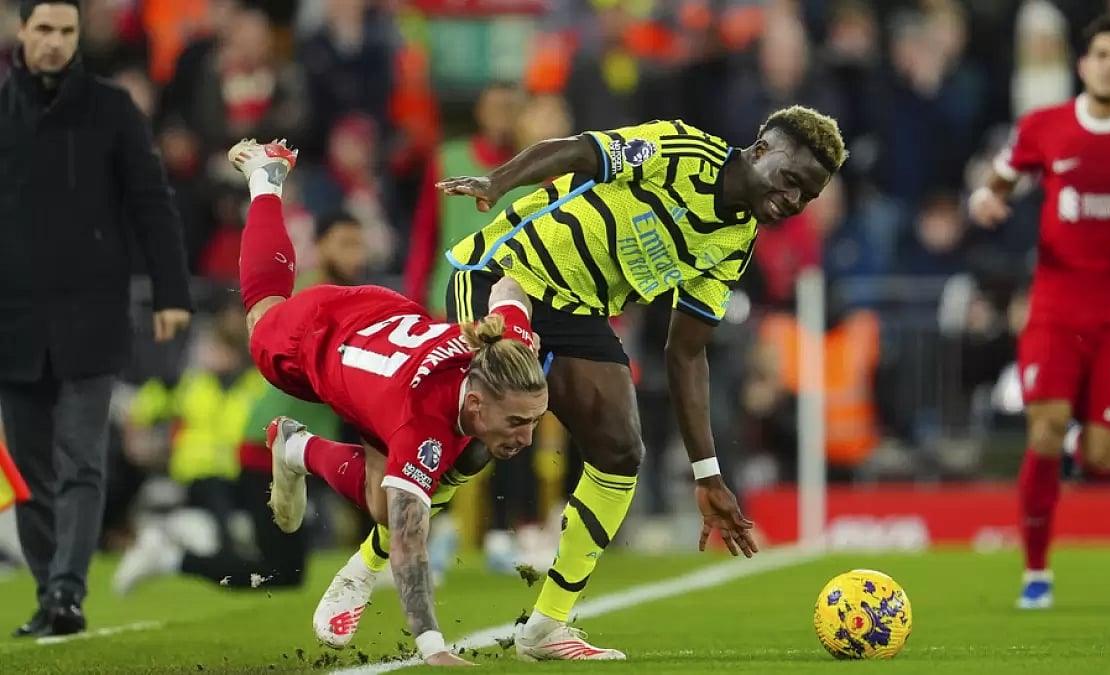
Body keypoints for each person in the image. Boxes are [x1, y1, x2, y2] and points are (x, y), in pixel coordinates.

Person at [316, 104, 847, 659]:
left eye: (806, 196)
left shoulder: (735, 241)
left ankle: (546, 626)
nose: (793, 200)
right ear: (761, 150)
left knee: (621, 450)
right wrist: (499, 181)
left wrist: (707, 475)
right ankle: (365, 567)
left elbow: (686, 353)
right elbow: (580, 151)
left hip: (579, 309)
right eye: (790, 180)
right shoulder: (682, 151)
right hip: (506, 272)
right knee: (475, 440)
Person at [229, 138, 547, 666]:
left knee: (387, 500)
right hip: (317, 337)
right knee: (263, 312)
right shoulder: (421, 425)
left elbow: (510, 289)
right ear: (476, 402)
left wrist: (520, 305)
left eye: (533, 420)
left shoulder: (508, 351)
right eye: (517, 420)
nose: (529, 436)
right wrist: (432, 647)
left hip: (384, 324)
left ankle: (299, 447)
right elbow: (408, 544)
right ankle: (266, 181)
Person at [968, 16, 1110, 610]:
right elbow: (999, 180)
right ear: (1082, 64)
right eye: (1101, 55)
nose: (1109, 66)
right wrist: (986, 200)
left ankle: (1082, 431)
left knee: (1104, 457)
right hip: (1055, 302)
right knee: (1042, 430)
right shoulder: (1044, 127)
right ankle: (1036, 574)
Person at [0, 0, 193, 637]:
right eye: (44, 29)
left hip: (91, 316)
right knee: (29, 473)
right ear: (22, 30)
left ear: (79, 36)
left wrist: (171, 291)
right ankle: (49, 588)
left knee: (81, 458)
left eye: (67, 31)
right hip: (14, 322)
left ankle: (66, 590)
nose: (55, 41)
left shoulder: (113, 109)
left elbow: (151, 202)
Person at [110, 214, 369, 596]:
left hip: (301, 446)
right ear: (320, 246)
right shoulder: (315, 298)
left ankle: (398, 558)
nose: (356, 255)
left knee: (287, 571)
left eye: (359, 245)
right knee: (279, 571)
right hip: (268, 448)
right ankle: (169, 558)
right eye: (345, 244)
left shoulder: (348, 299)